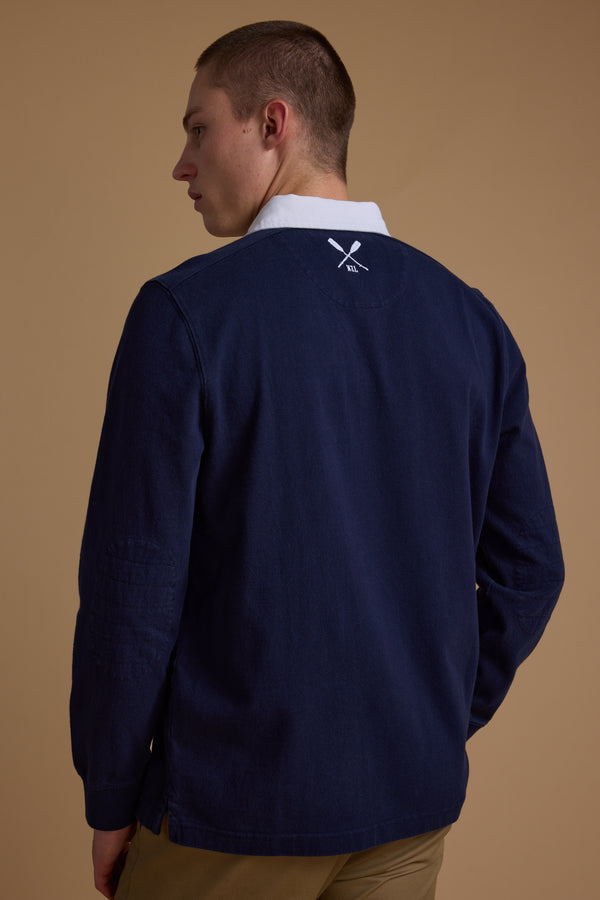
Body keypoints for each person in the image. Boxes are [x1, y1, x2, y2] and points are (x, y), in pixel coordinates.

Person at [70, 20, 565, 900]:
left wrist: (110, 796)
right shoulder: (470, 320)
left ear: (272, 123)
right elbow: (531, 570)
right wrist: (434, 715)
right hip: (407, 806)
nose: (181, 164)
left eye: (196, 128)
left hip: (232, 810)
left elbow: (132, 590)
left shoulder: (186, 313)